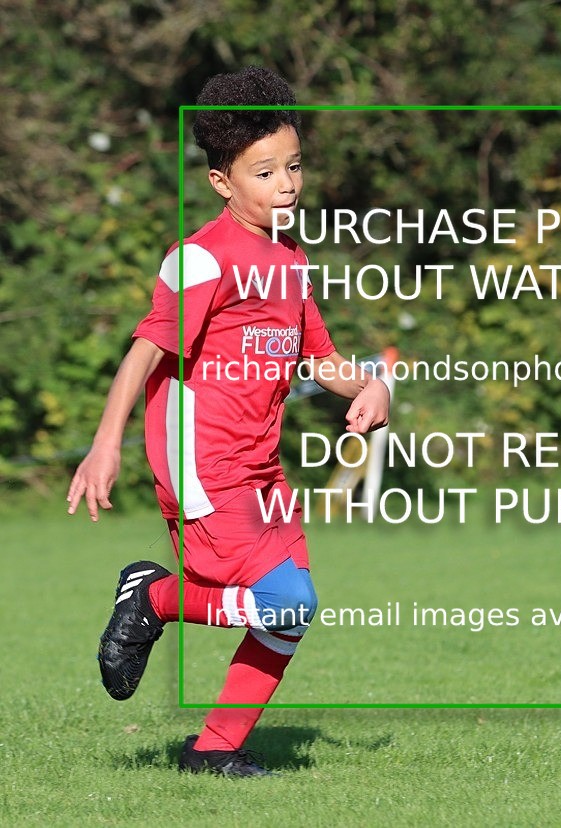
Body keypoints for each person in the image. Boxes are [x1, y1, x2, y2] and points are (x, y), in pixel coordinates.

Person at [66, 66, 390, 775]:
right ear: (222, 183)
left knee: (292, 612)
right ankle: (151, 596)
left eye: (295, 166)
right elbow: (144, 355)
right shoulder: (199, 259)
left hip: (260, 467)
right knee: (285, 597)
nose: (287, 184)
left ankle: (214, 751)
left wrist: (371, 387)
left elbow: (322, 357)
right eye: (265, 171)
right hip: (202, 461)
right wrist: (104, 447)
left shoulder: (291, 261)